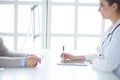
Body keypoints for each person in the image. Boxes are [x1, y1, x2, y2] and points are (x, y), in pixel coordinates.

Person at [61, 0, 120, 79]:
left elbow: (108, 65)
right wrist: (75, 57)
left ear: (114, 7)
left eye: (102, 5)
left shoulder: (118, 32)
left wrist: (94, 61)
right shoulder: (112, 29)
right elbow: (101, 56)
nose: (98, 9)